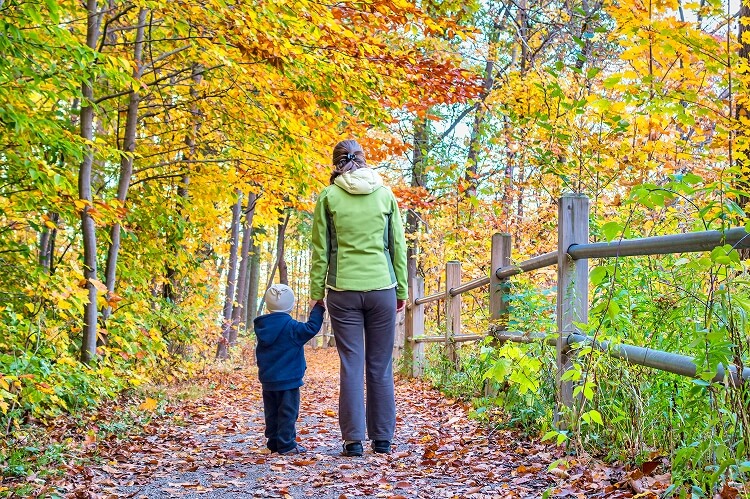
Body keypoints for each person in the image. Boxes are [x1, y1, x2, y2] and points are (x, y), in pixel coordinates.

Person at [309, 139, 408, 457]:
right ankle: (382, 439)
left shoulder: (328, 196)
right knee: (380, 365)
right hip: (382, 289)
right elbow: (397, 248)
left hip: (342, 292)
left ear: (335, 163)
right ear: (364, 160)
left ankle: (352, 441)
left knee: (351, 364)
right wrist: (401, 290)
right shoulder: (385, 194)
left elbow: (320, 252)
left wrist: (316, 294)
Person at [254, 283, 325, 455]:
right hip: (289, 380)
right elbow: (312, 328)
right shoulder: (292, 328)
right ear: (291, 306)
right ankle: (286, 444)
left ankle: (274, 441)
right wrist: (318, 308)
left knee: (271, 411)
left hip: (269, 379)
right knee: (288, 412)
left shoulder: (262, 327)